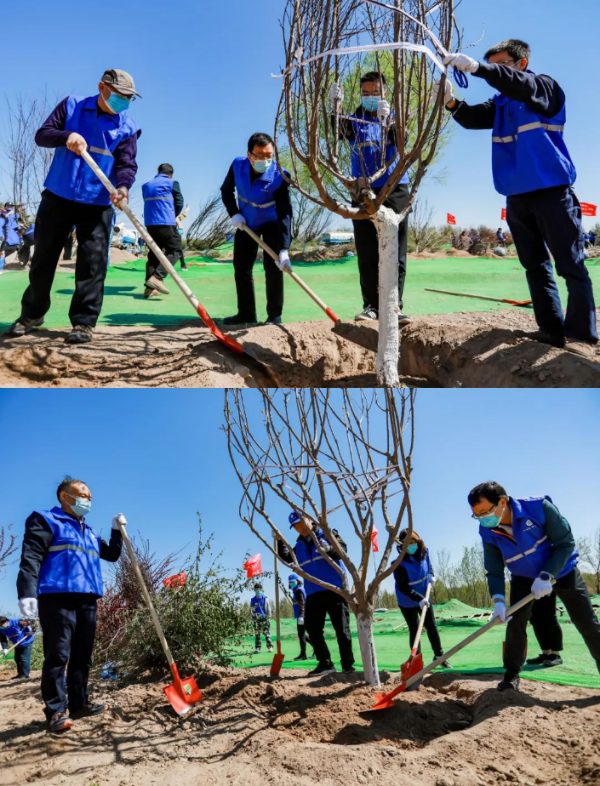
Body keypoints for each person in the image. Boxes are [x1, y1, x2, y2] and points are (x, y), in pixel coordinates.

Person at [439, 40, 597, 358]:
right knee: (534, 267)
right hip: (517, 197)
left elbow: (520, 84)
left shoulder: (544, 88)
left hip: (553, 192)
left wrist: (479, 69)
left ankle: (582, 336)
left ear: (520, 64)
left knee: (571, 265)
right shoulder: (500, 105)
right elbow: (471, 118)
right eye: (492, 65)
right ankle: (551, 330)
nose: (496, 72)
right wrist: (451, 103)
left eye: (501, 65)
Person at [4, 69, 142, 344]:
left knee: (93, 264)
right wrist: (66, 135)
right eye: (120, 95)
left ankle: (83, 323)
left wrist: (123, 188)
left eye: (129, 98)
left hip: (98, 203)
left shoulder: (127, 127)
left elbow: (127, 165)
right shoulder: (72, 106)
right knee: (43, 259)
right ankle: (32, 315)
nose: (124, 101)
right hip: (58, 196)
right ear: (103, 87)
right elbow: (42, 135)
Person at [16, 476, 125, 733]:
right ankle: (55, 711)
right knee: (58, 655)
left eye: (89, 497)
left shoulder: (89, 531)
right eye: (83, 495)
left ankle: (79, 703)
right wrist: (27, 592)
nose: (87, 500)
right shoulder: (45, 520)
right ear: (65, 496)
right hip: (57, 597)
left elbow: (111, 555)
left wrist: (115, 530)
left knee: (82, 656)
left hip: (87, 598)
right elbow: (31, 556)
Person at [468, 480, 600, 691]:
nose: (483, 519)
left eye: (486, 512)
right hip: (523, 576)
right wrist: (498, 601)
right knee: (516, 620)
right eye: (478, 515)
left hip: (562, 571)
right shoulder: (487, 531)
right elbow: (493, 569)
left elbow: (565, 543)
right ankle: (511, 674)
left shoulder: (538, 508)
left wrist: (547, 575)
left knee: (586, 621)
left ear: (502, 501)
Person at [330, 71, 412, 326]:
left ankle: (394, 306)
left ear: (384, 93)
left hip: (395, 188)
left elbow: (401, 140)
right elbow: (336, 134)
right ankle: (371, 306)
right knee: (367, 251)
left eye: (375, 93)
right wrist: (335, 108)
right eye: (365, 93)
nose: (370, 98)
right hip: (363, 190)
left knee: (396, 251)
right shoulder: (354, 117)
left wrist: (388, 121)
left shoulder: (395, 114)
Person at [220, 132, 293, 326]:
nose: (264, 160)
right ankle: (246, 313)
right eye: (259, 155)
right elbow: (226, 190)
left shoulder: (280, 175)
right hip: (246, 221)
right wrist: (234, 213)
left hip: (271, 222)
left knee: (273, 266)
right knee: (242, 267)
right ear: (249, 154)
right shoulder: (237, 165)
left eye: (269, 155)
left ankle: (274, 315)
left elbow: (285, 212)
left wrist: (284, 248)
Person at [278, 511, 355, 677]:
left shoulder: (327, 534)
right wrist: (278, 541)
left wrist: (329, 548)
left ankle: (348, 665)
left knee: (342, 629)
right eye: (296, 526)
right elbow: (287, 558)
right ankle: (325, 663)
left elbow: (343, 550)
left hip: (335, 589)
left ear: (309, 519)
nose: (300, 528)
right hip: (313, 592)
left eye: (301, 523)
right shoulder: (299, 545)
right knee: (312, 629)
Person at [393, 529, 452, 671]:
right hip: (407, 600)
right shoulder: (398, 564)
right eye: (406, 544)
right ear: (401, 546)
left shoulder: (425, 553)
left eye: (412, 542)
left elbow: (429, 567)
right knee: (415, 628)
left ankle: (439, 656)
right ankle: (416, 660)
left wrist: (431, 575)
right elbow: (403, 587)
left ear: (417, 542)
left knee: (431, 626)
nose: (410, 546)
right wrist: (419, 599)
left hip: (425, 596)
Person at [141, 163, 185, 298]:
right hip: (166, 222)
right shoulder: (172, 183)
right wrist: (174, 215)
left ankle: (149, 289)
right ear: (171, 174)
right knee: (175, 250)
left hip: (150, 224)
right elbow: (179, 201)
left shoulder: (146, 185)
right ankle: (157, 278)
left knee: (154, 254)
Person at [526, 591, 564, 667]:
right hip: (530, 584)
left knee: (549, 617)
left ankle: (555, 655)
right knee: (535, 619)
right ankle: (546, 653)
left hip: (545, 583)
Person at [288, 573, 311, 661]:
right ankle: (314, 649)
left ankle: (303, 654)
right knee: (302, 634)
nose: (291, 584)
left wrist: (301, 616)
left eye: (292, 582)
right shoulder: (298, 590)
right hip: (302, 615)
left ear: (297, 581)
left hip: (302, 616)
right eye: (290, 582)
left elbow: (302, 604)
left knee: (301, 635)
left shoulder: (298, 591)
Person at [250, 582, 273, 653]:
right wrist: (252, 617)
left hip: (264, 618)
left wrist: (268, 618)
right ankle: (258, 648)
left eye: (258, 589)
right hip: (256, 619)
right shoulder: (252, 600)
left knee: (267, 633)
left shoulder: (264, 598)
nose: (257, 590)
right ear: (254, 590)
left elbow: (268, 609)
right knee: (257, 634)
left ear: (261, 589)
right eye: (256, 589)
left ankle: (270, 646)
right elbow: (251, 609)